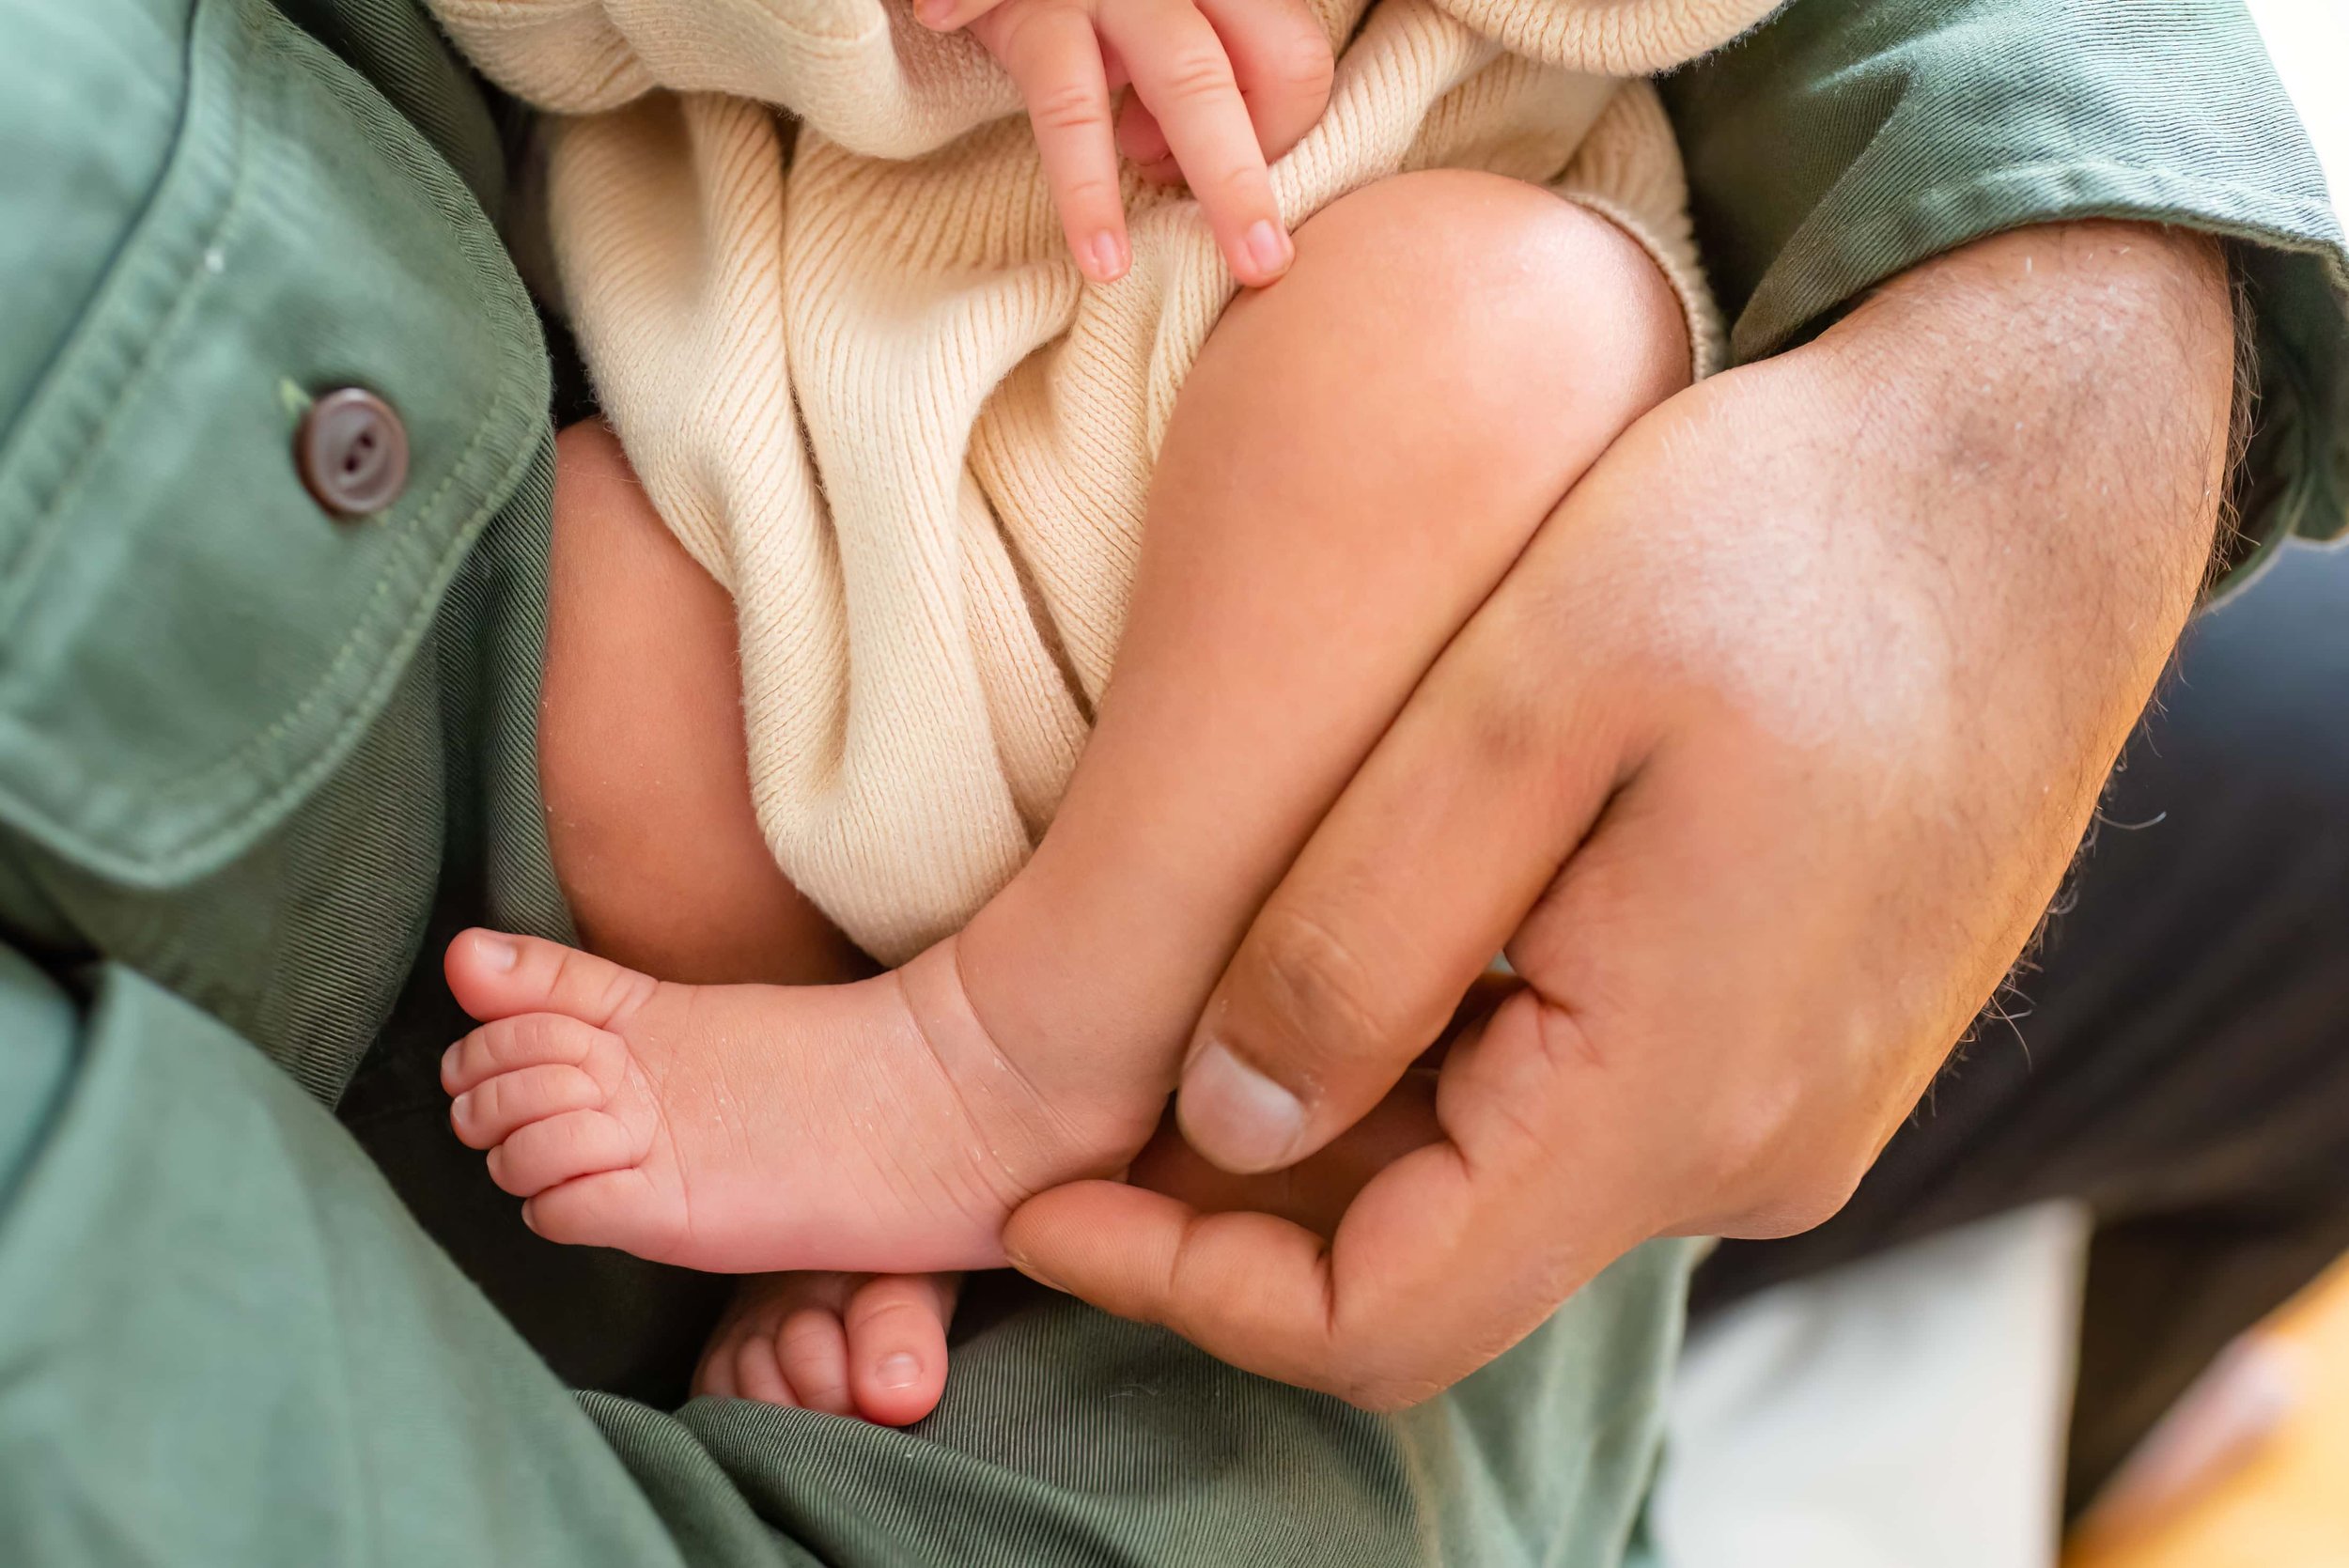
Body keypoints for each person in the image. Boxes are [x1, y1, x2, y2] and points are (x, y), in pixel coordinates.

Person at [0, 4, 2340, 1567]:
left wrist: (2058, 377)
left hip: (1389, 550)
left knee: (1511, 320)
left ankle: (977, 1088)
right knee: (593, 642)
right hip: (818, 561)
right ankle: (908, 1187)